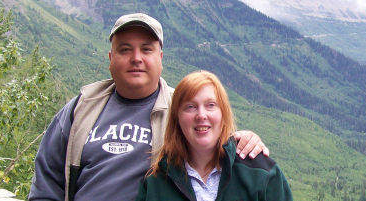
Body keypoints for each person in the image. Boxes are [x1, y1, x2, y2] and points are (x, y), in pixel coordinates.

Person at [29, 13, 270, 201]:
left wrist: (245, 139)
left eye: (146, 49)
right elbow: (47, 182)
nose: (136, 58)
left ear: (161, 58)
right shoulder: (81, 109)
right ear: (110, 58)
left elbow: (214, 143)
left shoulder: (183, 110)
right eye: (125, 49)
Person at [136, 71, 293, 201]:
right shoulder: (156, 183)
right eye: (190, 107)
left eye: (210, 105)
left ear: (223, 114)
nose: (201, 115)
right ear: (177, 119)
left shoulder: (261, 174)